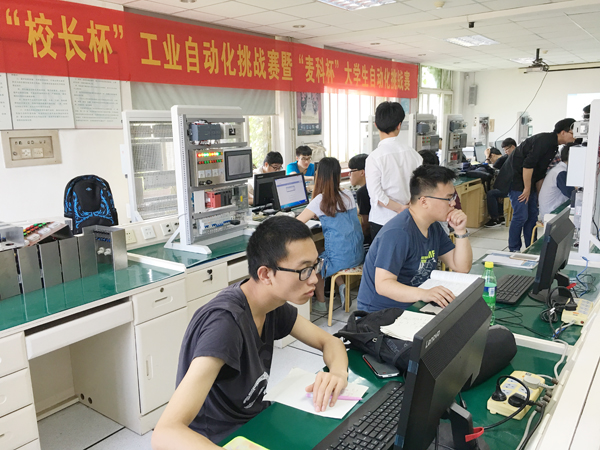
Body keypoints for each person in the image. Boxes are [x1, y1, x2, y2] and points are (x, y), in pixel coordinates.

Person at [152, 217, 348, 449]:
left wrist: (338, 374)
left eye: (315, 266)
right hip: (215, 440)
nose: (314, 278)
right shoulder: (225, 324)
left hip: (253, 424)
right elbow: (165, 432)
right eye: (304, 270)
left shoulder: (272, 305)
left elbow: (330, 342)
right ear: (265, 274)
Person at [357, 165, 472, 313]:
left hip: (414, 304)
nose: (453, 204)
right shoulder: (398, 233)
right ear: (424, 202)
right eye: (448, 198)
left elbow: (461, 267)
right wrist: (425, 294)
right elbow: (383, 284)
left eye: (453, 198)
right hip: (380, 314)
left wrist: (460, 231)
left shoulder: (433, 226)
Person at [297, 157, 364, 311]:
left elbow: (297, 222)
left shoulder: (320, 200)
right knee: (322, 251)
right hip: (357, 255)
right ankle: (341, 285)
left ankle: (321, 303)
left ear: (319, 176)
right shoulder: (347, 194)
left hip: (340, 259)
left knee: (316, 262)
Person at [507, 118, 576, 251]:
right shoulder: (544, 141)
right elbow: (528, 165)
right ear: (563, 132)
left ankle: (531, 247)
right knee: (521, 216)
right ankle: (514, 248)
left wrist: (538, 195)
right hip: (517, 181)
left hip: (529, 181)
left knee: (532, 215)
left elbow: (540, 172)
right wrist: (527, 188)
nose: (574, 137)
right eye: (572, 133)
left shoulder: (554, 146)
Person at [366, 102, 422, 240]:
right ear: (399, 125)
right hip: (411, 217)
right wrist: (406, 207)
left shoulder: (374, 158)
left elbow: (376, 195)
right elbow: (421, 188)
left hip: (383, 221)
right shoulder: (415, 155)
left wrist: (398, 208)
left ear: (376, 125)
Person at [484, 138, 517, 227]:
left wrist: (487, 158)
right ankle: (501, 216)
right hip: (513, 187)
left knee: (491, 193)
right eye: (504, 150)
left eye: (507, 149)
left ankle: (495, 219)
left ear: (513, 147)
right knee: (497, 190)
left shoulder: (509, 158)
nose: (505, 152)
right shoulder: (513, 156)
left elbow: (492, 167)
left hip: (512, 188)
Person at [539, 144, 575, 219]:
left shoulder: (560, 169)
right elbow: (571, 193)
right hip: (551, 213)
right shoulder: (561, 172)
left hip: (553, 209)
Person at [348, 153, 371, 244]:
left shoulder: (362, 192)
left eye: (351, 171)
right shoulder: (373, 187)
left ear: (362, 172)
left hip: (370, 241)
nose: (349, 174)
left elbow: (366, 224)